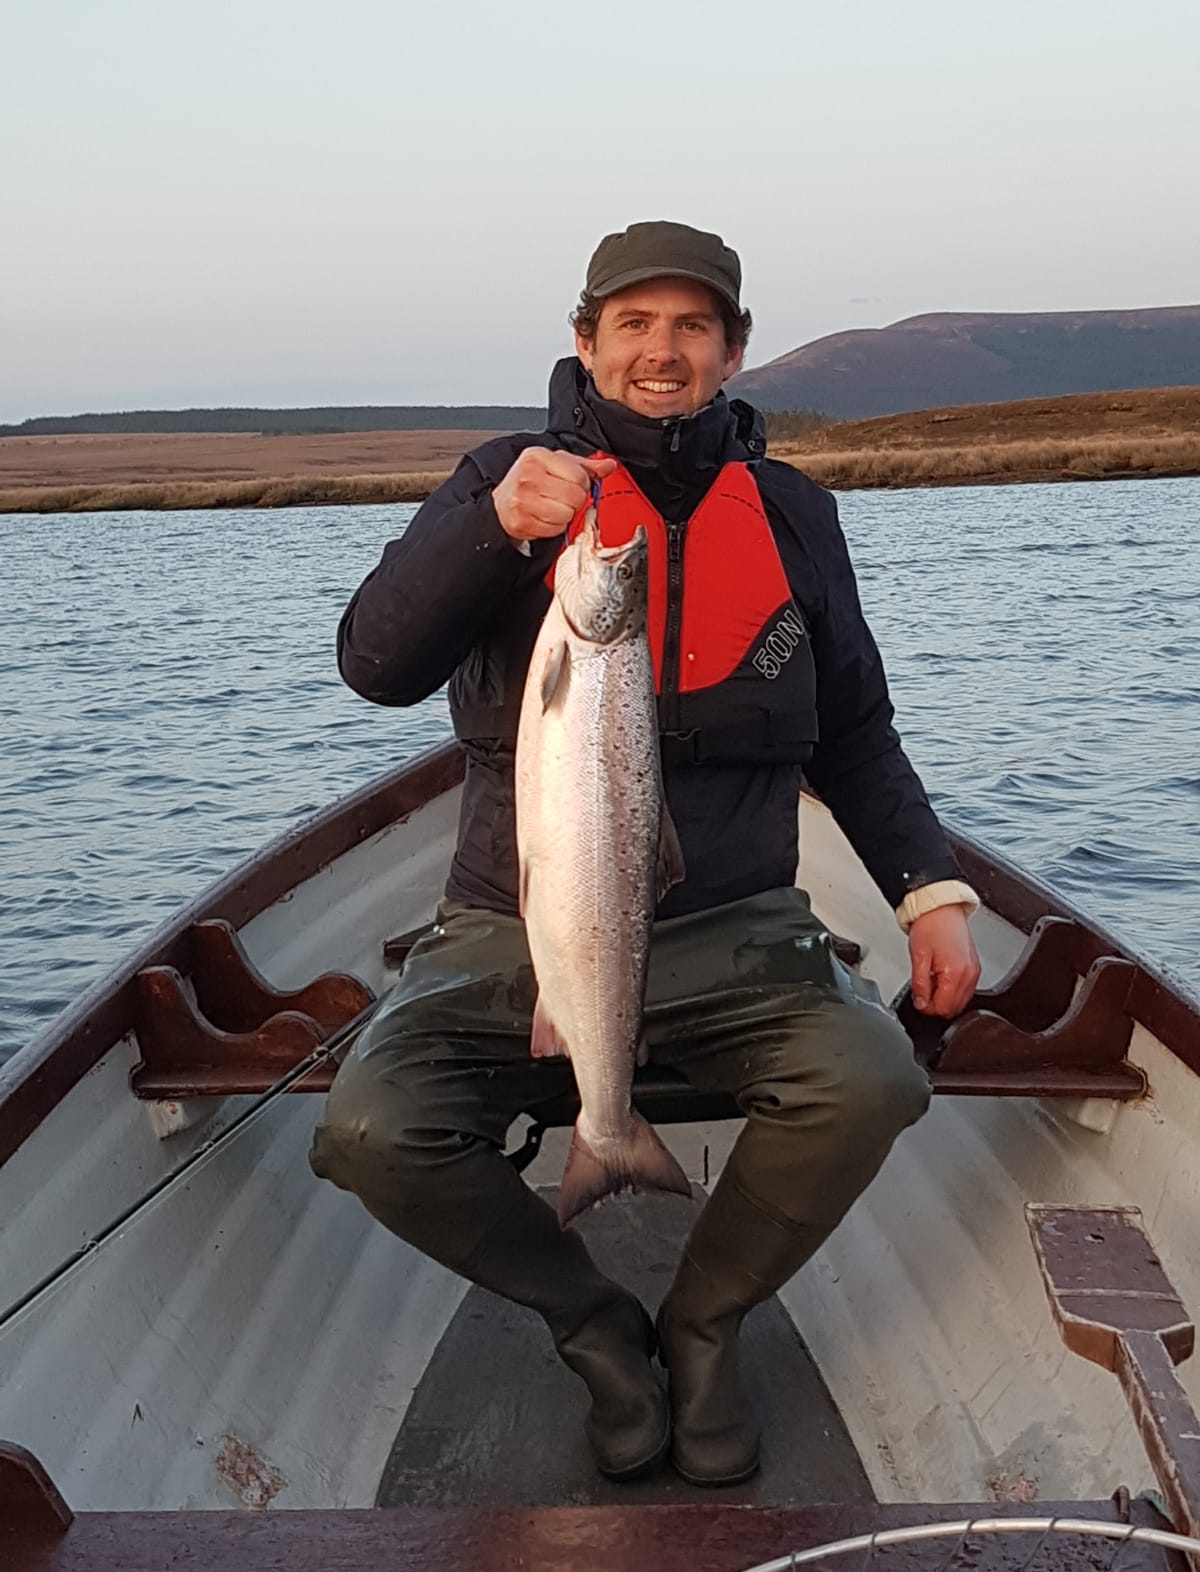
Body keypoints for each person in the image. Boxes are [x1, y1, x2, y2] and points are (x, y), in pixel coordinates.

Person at [310, 220, 982, 1488]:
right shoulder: (506, 479)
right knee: (369, 1127)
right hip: (507, 928)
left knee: (876, 1077)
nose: (661, 352)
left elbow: (859, 731)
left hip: (740, 922)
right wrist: (489, 529)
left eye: (691, 326)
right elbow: (373, 663)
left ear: (733, 349)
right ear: (584, 341)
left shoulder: (790, 513)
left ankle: (704, 1321)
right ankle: (594, 1324)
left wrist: (929, 890)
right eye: (633, 324)